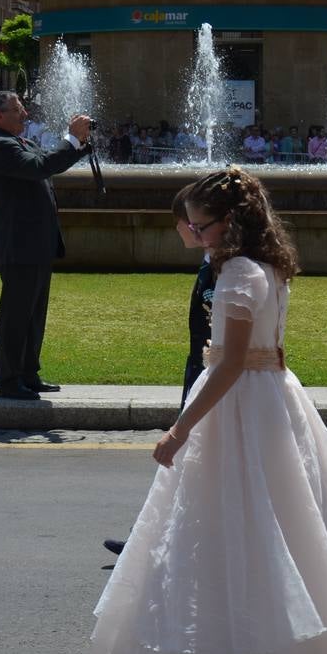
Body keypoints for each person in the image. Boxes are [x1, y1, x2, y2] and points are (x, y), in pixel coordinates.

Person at [88, 167, 327, 654]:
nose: (194, 236)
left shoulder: (239, 271)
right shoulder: (268, 264)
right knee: (285, 520)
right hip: (274, 396)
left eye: (201, 227)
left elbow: (232, 361)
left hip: (241, 401)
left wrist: (179, 430)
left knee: (238, 520)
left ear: (231, 222)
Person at [102, 183, 217, 557]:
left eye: (182, 223)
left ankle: (151, 539)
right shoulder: (212, 266)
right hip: (200, 369)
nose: (180, 230)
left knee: (186, 458)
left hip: (209, 373)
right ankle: (152, 536)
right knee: (186, 462)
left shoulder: (220, 270)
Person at [0, 91, 92, 401]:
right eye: (17, 110)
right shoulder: (0, 145)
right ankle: (8, 379)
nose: (25, 114)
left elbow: (47, 163)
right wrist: (71, 139)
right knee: (17, 314)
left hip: (35, 242)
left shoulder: (16, 143)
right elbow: (39, 166)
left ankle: (28, 373)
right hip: (20, 242)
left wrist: (78, 145)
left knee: (33, 313)